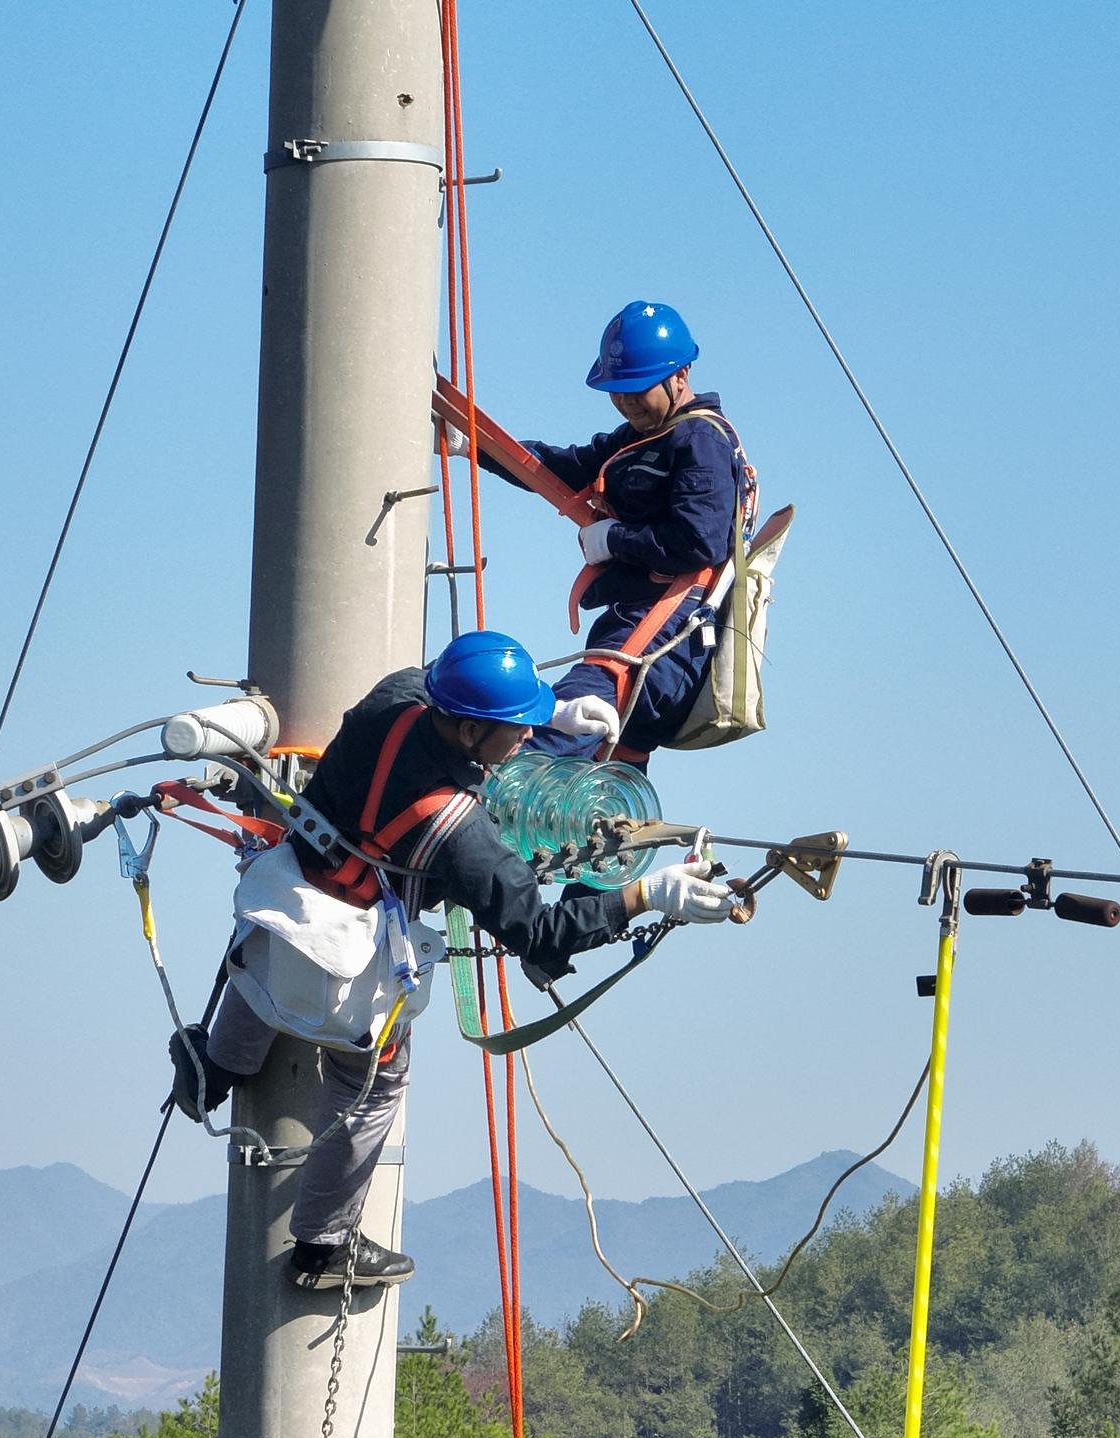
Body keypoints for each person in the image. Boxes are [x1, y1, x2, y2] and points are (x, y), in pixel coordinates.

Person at [171, 630, 745, 1290]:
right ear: (471, 730)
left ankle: (214, 1069)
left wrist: (554, 708)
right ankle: (323, 1249)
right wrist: (645, 895)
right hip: (345, 948)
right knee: (376, 1081)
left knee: (262, 962)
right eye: (517, 726)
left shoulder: (395, 698)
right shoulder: (457, 829)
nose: (528, 737)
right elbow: (542, 932)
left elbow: (436, 677)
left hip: (284, 889)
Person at [483, 300, 754, 765]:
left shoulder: (699, 440)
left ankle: (484, 800)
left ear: (680, 376)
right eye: (618, 392)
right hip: (640, 625)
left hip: (667, 629)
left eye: (637, 390)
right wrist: (478, 446)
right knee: (607, 769)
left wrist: (614, 538)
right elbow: (564, 466)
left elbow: (699, 541)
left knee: (557, 728)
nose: (627, 403)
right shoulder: (639, 439)